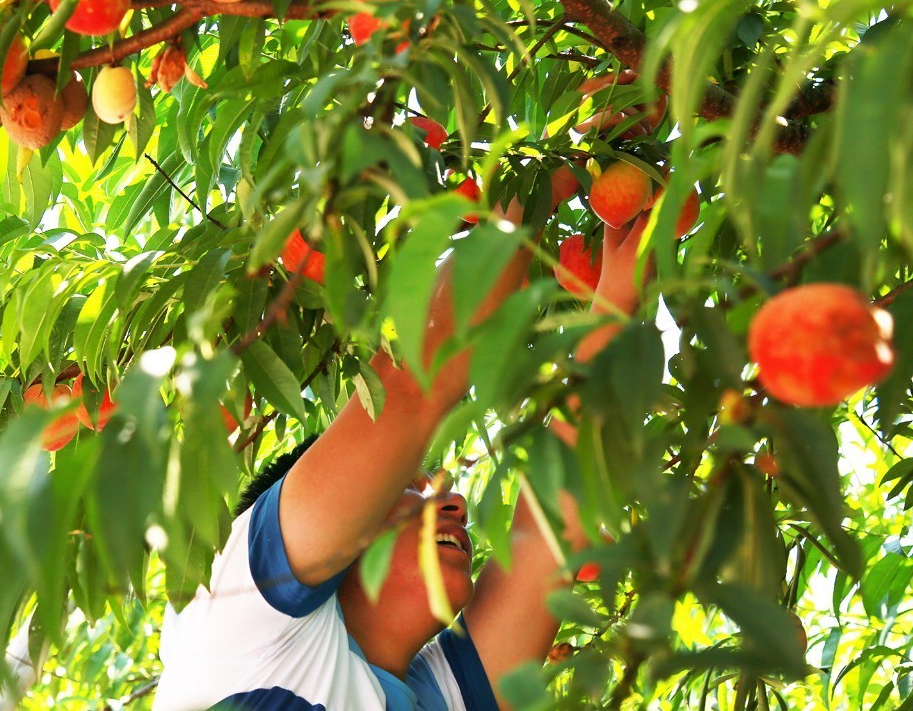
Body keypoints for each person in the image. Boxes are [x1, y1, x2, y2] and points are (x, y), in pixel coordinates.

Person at [153, 189, 654, 711]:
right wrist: (540, 179)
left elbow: (547, 537)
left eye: (412, 484)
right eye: (412, 487)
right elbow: (418, 388)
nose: (454, 503)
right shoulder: (231, 612)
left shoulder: (429, 694)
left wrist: (619, 298)